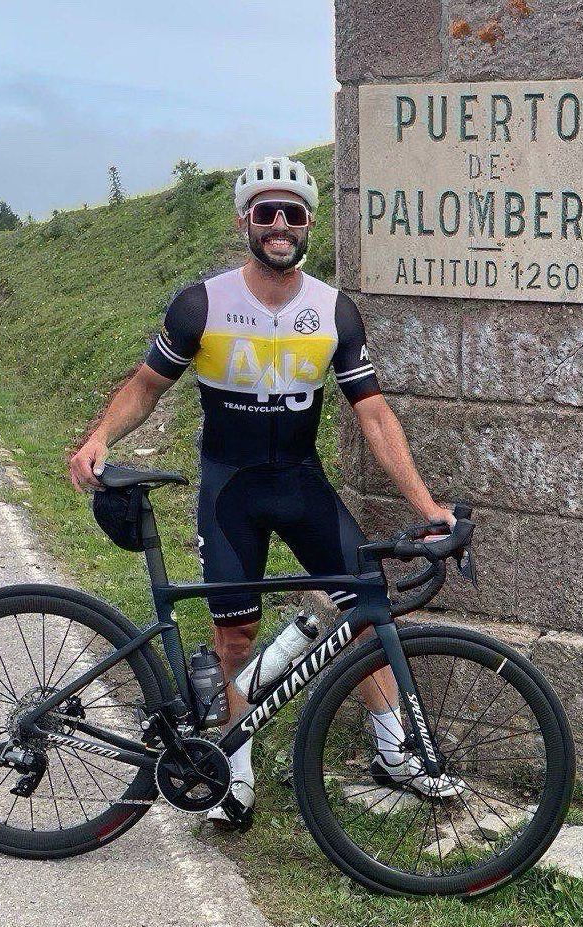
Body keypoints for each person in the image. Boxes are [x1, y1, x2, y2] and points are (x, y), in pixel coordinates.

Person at [69, 155, 456, 825]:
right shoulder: (202, 303)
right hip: (231, 493)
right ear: (244, 221)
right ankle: (234, 774)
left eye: (292, 213)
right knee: (235, 636)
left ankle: (395, 753)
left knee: (366, 614)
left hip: (302, 485)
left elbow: (372, 414)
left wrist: (426, 506)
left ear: (307, 224)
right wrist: (100, 435)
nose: (279, 224)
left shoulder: (332, 310)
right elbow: (146, 385)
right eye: (265, 212)